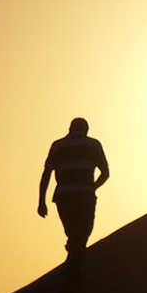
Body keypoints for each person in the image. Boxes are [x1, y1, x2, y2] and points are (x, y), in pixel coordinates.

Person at [37, 118, 109, 277]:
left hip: (64, 196)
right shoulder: (93, 144)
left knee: (74, 234)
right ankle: (72, 276)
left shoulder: (57, 145)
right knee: (82, 233)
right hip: (84, 195)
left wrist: (41, 201)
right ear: (86, 130)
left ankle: (71, 271)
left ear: (70, 128)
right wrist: (93, 187)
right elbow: (105, 172)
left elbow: (46, 174)